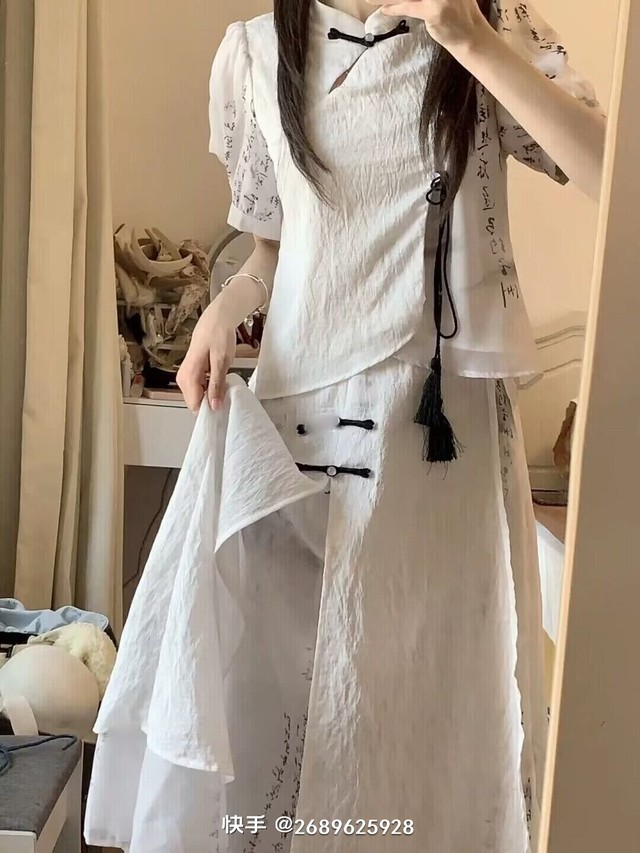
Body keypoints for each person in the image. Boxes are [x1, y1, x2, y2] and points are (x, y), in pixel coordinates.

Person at [172, 1, 603, 851]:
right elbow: (272, 247)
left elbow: (612, 172)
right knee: (291, 722)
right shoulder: (258, 51)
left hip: (437, 452)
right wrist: (225, 307)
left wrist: (469, 38)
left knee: (429, 724)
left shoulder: (487, 28)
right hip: (297, 435)